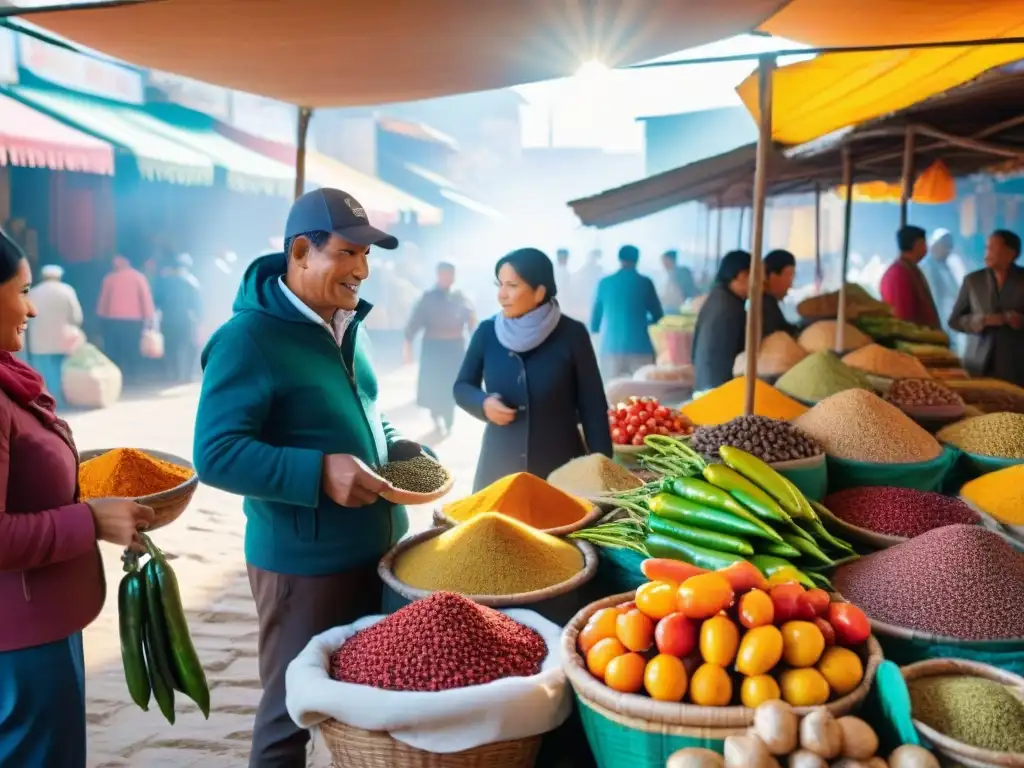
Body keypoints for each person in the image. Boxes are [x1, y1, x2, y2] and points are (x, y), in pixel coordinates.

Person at [192, 188, 431, 767]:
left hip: (374, 549)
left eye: (367, 257)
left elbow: (366, 405)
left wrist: (396, 444)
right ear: (301, 251)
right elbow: (215, 453)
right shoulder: (248, 340)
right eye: (348, 254)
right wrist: (319, 471)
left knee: (362, 701)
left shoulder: (346, 324)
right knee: (288, 715)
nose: (363, 271)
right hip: (302, 565)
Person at [0, 229, 154, 766]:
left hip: (38, 625)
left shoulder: (8, 373)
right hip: (17, 644)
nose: (32, 308)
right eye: (21, 291)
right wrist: (89, 520)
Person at [454, 247, 611, 491]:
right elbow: (462, 386)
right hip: (499, 469)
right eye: (500, 285)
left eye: (512, 286)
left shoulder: (572, 334)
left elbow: (594, 408)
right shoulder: (487, 332)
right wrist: (483, 404)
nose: (502, 295)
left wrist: (604, 471)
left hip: (561, 470)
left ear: (539, 292)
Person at [404, 261, 476, 435]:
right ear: (438, 275)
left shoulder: (461, 297)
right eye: (443, 274)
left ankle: (449, 418)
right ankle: (436, 417)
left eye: (450, 274)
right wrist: (407, 346)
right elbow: (414, 324)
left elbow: (472, 322)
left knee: (452, 384)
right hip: (434, 348)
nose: (446, 277)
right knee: (434, 385)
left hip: (455, 348)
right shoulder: (427, 297)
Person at [948, 229, 1024, 387]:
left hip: (1015, 365)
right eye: (987, 247)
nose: (987, 253)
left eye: (993, 248)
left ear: (1011, 253)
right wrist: (982, 320)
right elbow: (954, 321)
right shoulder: (973, 280)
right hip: (976, 364)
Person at [591, 245, 664, 379]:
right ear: (637, 259)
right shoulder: (645, 283)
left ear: (619, 259)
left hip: (610, 346)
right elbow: (658, 315)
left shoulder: (605, 283)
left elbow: (595, 320)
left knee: (610, 392)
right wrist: (641, 321)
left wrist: (596, 330)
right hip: (640, 346)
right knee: (641, 394)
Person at [691, 250, 751, 393]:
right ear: (743, 275)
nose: (761, 285)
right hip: (717, 390)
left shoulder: (717, 298)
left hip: (702, 384)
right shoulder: (730, 307)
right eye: (758, 277)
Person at [27, 265, 84, 408]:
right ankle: (60, 400)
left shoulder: (33, 292)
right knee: (60, 369)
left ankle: (46, 401)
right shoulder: (67, 291)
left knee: (42, 370)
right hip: (62, 338)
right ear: (59, 276)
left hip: (39, 339)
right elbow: (77, 316)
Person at [97, 255, 156, 382]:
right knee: (132, 349)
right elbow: (145, 299)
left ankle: (116, 378)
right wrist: (149, 317)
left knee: (114, 350)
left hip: (113, 320)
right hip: (134, 321)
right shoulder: (138, 277)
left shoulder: (110, 278)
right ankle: (133, 376)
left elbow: (104, 300)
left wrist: (101, 317)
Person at [879, 225, 941, 328]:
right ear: (916, 245)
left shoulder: (910, 269)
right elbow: (902, 316)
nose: (927, 248)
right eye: (924, 244)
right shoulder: (899, 273)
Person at [155, 254, 203, 384]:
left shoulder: (164, 281)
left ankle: (174, 374)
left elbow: (157, 300)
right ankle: (188, 375)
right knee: (189, 346)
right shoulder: (192, 281)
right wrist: (200, 317)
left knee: (171, 346)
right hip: (187, 318)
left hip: (169, 318)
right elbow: (197, 302)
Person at [762, 249, 799, 338]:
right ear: (773, 276)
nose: (790, 286)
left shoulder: (768, 302)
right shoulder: (765, 305)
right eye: (789, 276)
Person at [658, 249, 697, 314]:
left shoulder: (681, 273)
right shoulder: (668, 274)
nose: (663, 264)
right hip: (670, 307)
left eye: (664, 260)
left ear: (670, 260)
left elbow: (682, 294)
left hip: (679, 308)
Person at [572, 248, 604, 325]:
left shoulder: (599, 270)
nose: (595, 260)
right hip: (583, 303)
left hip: (589, 302)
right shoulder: (584, 270)